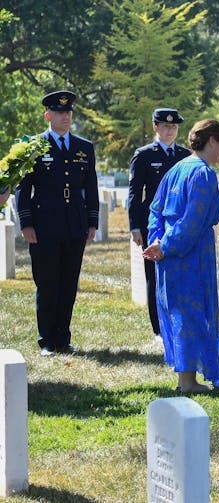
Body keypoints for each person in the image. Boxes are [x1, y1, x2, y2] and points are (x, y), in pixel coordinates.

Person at [143, 119, 219, 393]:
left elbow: (155, 210)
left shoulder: (176, 168)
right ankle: (188, 382)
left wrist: (157, 240)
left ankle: (186, 379)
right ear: (212, 141)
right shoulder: (202, 174)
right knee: (192, 314)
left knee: (181, 313)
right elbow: (192, 221)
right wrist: (165, 245)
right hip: (191, 256)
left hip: (168, 256)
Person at [16, 90, 98, 356]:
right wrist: (26, 223)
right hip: (44, 226)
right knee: (48, 282)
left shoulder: (84, 148)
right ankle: (47, 340)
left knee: (68, 283)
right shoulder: (34, 147)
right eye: (60, 113)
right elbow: (23, 189)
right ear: (48, 115)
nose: (65, 117)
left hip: (74, 224)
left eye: (68, 112)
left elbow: (91, 187)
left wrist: (92, 221)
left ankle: (63, 337)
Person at [127, 108, 191, 340]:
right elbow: (135, 194)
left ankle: (180, 323)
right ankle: (159, 329)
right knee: (154, 276)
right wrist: (135, 226)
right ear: (155, 126)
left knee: (180, 274)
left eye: (173, 127)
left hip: (179, 224)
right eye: (165, 126)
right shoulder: (144, 155)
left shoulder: (185, 155)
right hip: (152, 225)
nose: (169, 131)